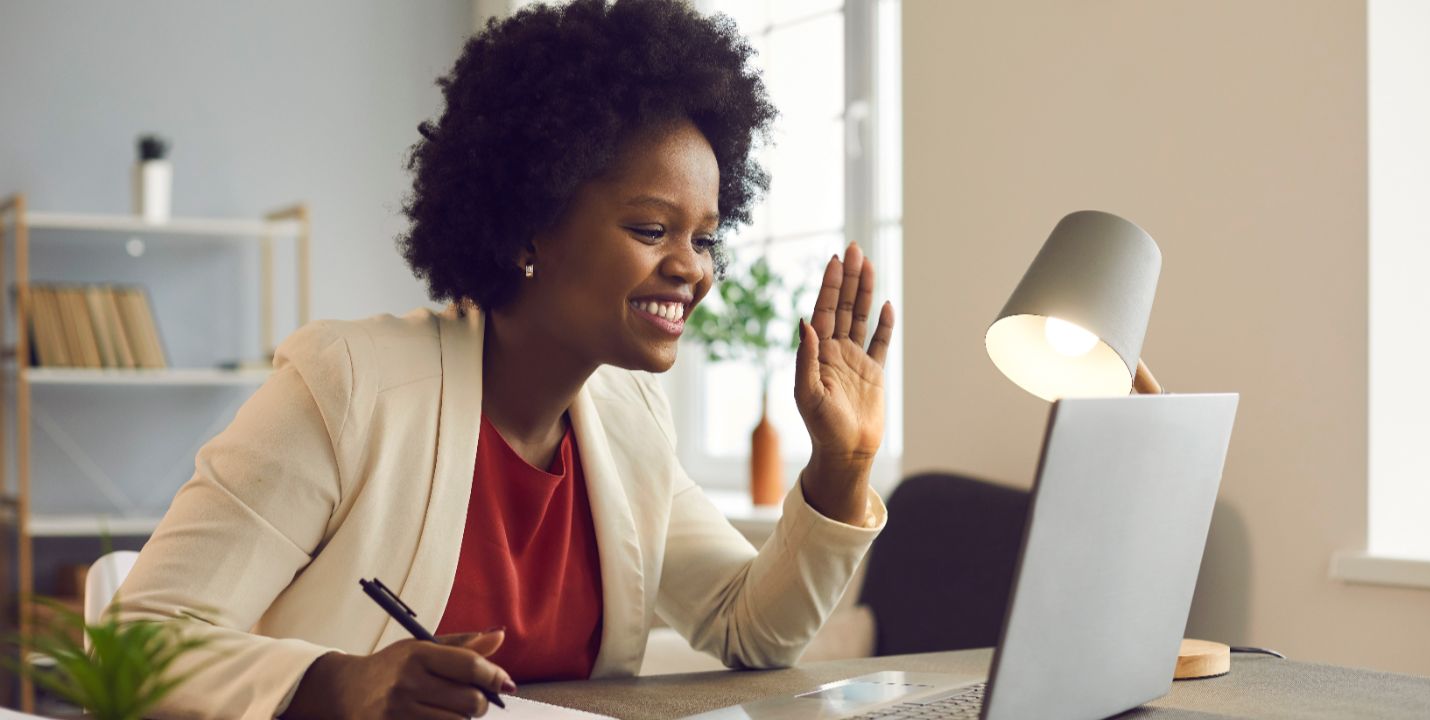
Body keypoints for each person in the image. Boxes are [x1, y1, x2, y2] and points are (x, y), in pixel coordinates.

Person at [115, 1, 897, 718]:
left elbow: (750, 628)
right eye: (652, 230)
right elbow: (136, 642)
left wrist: (843, 463)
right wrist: (339, 682)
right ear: (530, 228)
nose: (692, 268)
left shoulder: (629, 422)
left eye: (705, 238)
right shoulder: (349, 387)